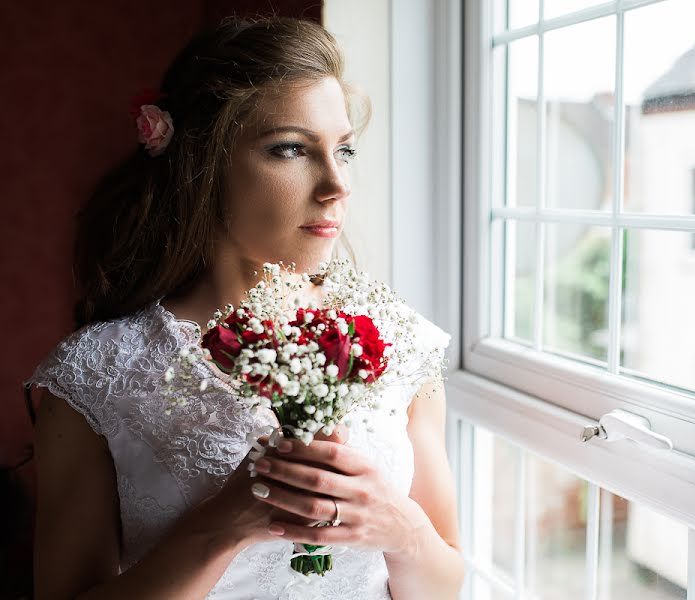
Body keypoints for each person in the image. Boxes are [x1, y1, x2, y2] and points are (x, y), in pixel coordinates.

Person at [24, 16, 463, 600]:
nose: (336, 184)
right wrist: (220, 526)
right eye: (290, 149)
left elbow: (445, 585)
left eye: (344, 149)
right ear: (202, 163)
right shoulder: (93, 376)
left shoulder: (401, 344)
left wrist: (397, 526)